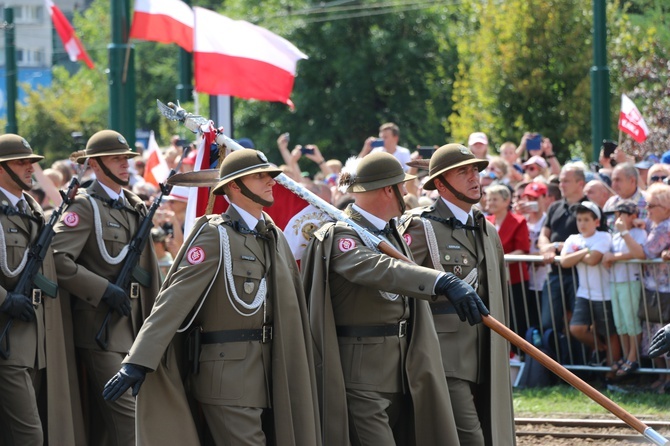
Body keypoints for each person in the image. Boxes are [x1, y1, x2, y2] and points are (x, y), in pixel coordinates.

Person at [103, 149, 321, 445]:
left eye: (270, 175)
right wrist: (138, 361)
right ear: (234, 185)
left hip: (274, 371)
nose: (271, 182)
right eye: (260, 176)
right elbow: (174, 299)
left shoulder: (274, 235)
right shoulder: (215, 235)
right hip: (227, 377)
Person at [302, 151, 489, 446]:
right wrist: (441, 280)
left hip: (402, 369)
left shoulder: (389, 234)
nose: (406, 191)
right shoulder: (342, 235)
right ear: (388, 189)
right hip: (362, 375)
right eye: (401, 186)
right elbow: (381, 270)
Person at [398, 144, 515, 446]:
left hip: (485, 354)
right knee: (470, 439)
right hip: (442, 356)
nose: (474, 177)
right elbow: (397, 280)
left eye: (475, 169)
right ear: (440, 184)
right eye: (463, 171)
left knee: (490, 434)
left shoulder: (485, 229)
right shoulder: (420, 226)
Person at [52, 130, 161, 446]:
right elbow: (58, 259)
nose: (126, 165)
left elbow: (147, 269)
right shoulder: (85, 206)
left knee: (107, 429)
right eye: (117, 159)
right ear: (95, 165)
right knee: (131, 425)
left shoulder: (133, 204)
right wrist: (102, 290)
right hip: (101, 328)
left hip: (135, 326)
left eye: (127, 158)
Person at [0, 134, 84, 445]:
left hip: (36, 339)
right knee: (30, 435)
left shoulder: (32, 207)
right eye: (20, 162)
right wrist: (6, 299)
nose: (29, 168)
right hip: (7, 338)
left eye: (31, 162)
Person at [537, 163, 606, 333]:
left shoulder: (592, 209)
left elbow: (600, 239)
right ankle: (551, 359)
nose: (561, 185)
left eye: (566, 181)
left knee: (578, 325)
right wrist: (548, 248)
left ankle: (577, 360)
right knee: (548, 323)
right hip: (555, 274)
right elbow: (543, 235)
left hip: (580, 277)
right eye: (560, 181)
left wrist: (568, 249)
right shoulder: (554, 207)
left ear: (580, 183)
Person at [559, 202, 620, 372]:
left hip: (604, 293)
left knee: (610, 334)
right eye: (579, 219)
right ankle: (601, 350)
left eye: (586, 219)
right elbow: (564, 262)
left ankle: (612, 374)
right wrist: (586, 252)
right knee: (576, 328)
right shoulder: (573, 239)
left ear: (597, 222)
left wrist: (576, 254)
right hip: (584, 293)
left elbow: (594, 261)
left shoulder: (604, 236)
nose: (582, 223)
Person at [601, 201, 646, 377]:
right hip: (615, 281)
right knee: (621, 323)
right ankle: (627, 355)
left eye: (621, 214)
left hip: (630, 281)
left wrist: (615, 256)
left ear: (632, 216)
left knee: (631, 320)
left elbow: (639, 252)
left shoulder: (637, 232)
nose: (617, 218)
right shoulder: (615, 234)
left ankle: (633, 357)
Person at [485, 184, 533, 340]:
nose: (490, 202)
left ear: (507, 202)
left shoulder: (519, 221)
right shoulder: (485, 221)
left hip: (514, 280)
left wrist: (499, 260)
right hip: (493, 281)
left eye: (495, 199)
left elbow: (522, 249)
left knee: (516, 318)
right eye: (489, 198)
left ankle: (519, 355)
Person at [639, 183, 670, 394]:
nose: (647, 209)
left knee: (662, 336)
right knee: (655, 335)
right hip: (655, 288)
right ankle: (662, 378)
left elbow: (646, 252)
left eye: (652, 205)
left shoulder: (663, 227)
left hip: (663, 289)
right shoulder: (655, 226)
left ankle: (665, 379)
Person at [603, 162, 647, 229]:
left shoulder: (648, 201)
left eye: (618, 180)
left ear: (632, 180)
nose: (614, 185)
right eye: (613, 180)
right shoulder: (610, 203)